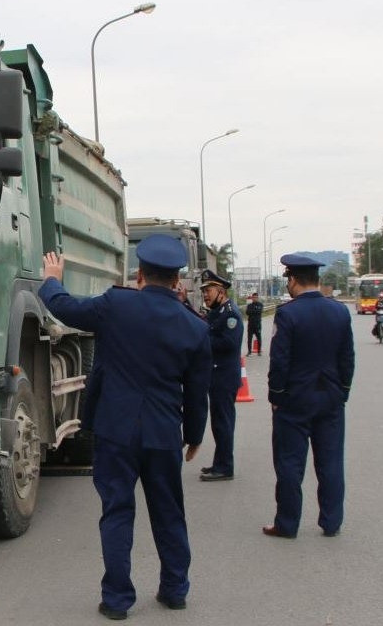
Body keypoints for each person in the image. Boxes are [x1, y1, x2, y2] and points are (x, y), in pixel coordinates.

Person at [39, 234, 212, 620]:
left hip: (116, 430)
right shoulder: (195, 327)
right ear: (177, 279)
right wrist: (195, 436)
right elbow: (198, 392)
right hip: (164, 433)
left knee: (117, 511)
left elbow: (65, 308)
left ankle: (117, 600)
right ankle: (174, 590)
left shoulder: (116, 305)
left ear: (139, 274)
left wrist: (52, 278)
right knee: (169, 512)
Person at [263, 253, 355, 539]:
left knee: (290, 463)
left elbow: (280, 361)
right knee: (330, 462)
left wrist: (275, 395)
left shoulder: (288, 313)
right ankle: (331, 522)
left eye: (287, 279)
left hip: (294, 400)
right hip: (330, 399)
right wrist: (343, 391)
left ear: (292, 280)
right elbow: (347, 358)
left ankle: (287, 524)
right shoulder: (339, 311)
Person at [198, 269, 244, 482]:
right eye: (204, 291)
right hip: (217, 376)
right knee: (219, 423)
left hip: (223, 378)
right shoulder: (218, 311)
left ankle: (225, 467)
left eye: (208, 290)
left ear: (221, 291)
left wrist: (202, 343)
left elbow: (228, 343)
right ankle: (220, 462)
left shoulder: (230, 314)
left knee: (223, 423)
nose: (205, 295)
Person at [245, 291, 264, 355]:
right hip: (250, 324)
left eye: (256, 297)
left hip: (257, 324)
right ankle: (249, 351)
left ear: (257, 298)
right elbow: (247, 312)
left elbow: (259, 312)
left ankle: (259, 351)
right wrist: (254, 311)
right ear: (252, 298)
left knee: (259, 338)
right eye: (254, 297)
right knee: (249, 338)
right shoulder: (249, 305)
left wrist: (252, 311)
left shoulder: (260, 305)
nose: (255, 298)